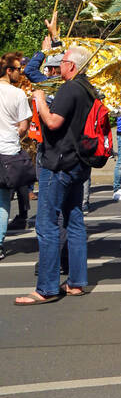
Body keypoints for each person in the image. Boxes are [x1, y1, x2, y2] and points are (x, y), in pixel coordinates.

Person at [15, 43, 96, 304]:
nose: (58, 65)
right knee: (74, 220)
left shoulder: (70, 88)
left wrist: (39, 101)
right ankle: (76, 282)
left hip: (58, 163)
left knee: (47, 224)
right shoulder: (87, 88)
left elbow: (52, 122)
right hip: (77, 163)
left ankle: (46, 288)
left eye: (62, 62)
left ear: (71, 66)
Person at [0, 57, 32, 259]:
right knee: (3, 200)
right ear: (9, 70)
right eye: (18, 69)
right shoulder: (18, 94)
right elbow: (24, 126)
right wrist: (13, 134)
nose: (21, 73)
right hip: (7, 151)